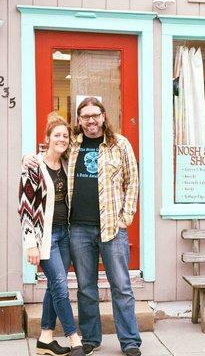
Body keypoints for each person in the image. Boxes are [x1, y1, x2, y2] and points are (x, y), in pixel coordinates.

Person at [24, 97, 141, 356]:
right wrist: (27, 157)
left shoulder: (119, 144)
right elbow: (49, 152)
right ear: (79, 120)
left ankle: (130, 341)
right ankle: (90, 337)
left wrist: (126, 216)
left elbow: (133, 181)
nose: (91, 120)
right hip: (78, 228)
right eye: (85, 116)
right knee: (86, 287)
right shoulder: (72, 144)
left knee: (121, 285)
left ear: (103, 116)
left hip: (112, 226)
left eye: (95, 115)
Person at [19, 113, 85, 356]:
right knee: (59, 285)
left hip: (64, 234)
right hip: (44, 237)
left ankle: (45, 338)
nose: (62, 139)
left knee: (53, 287)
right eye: (56, 135)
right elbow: (25, 207)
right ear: (47, 139)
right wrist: (31, 244)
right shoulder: (33, 166)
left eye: (65, 136)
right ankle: (73, 337)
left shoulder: (67, 163)